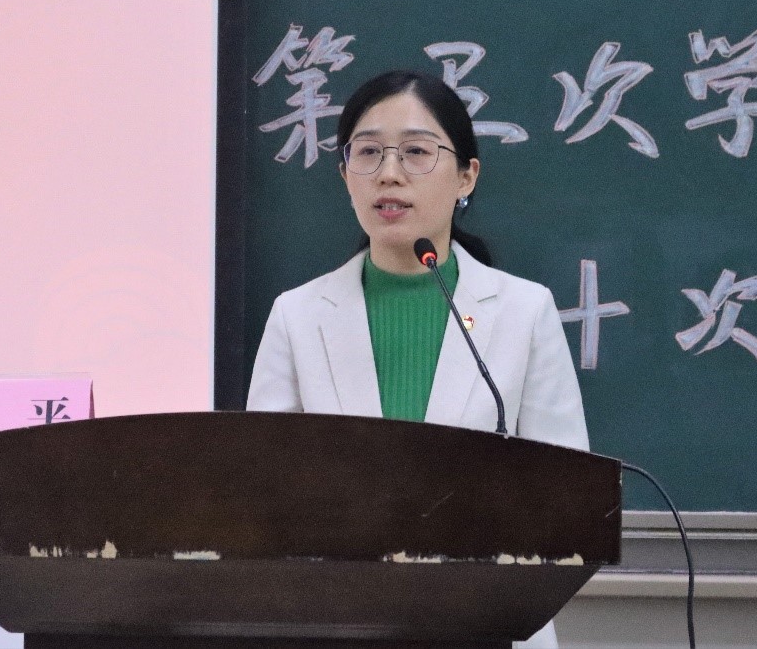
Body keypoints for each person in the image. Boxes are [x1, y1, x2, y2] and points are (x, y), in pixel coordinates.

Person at [247, 70, 587, 648]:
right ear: (345, 175)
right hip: (339, 625)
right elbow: (265, 493)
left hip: (488, 625)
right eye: (368, 152)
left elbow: (566, 493)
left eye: (416, 152)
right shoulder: (297, 316)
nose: (389, 173)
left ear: (466, 176)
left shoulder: (524, 312)